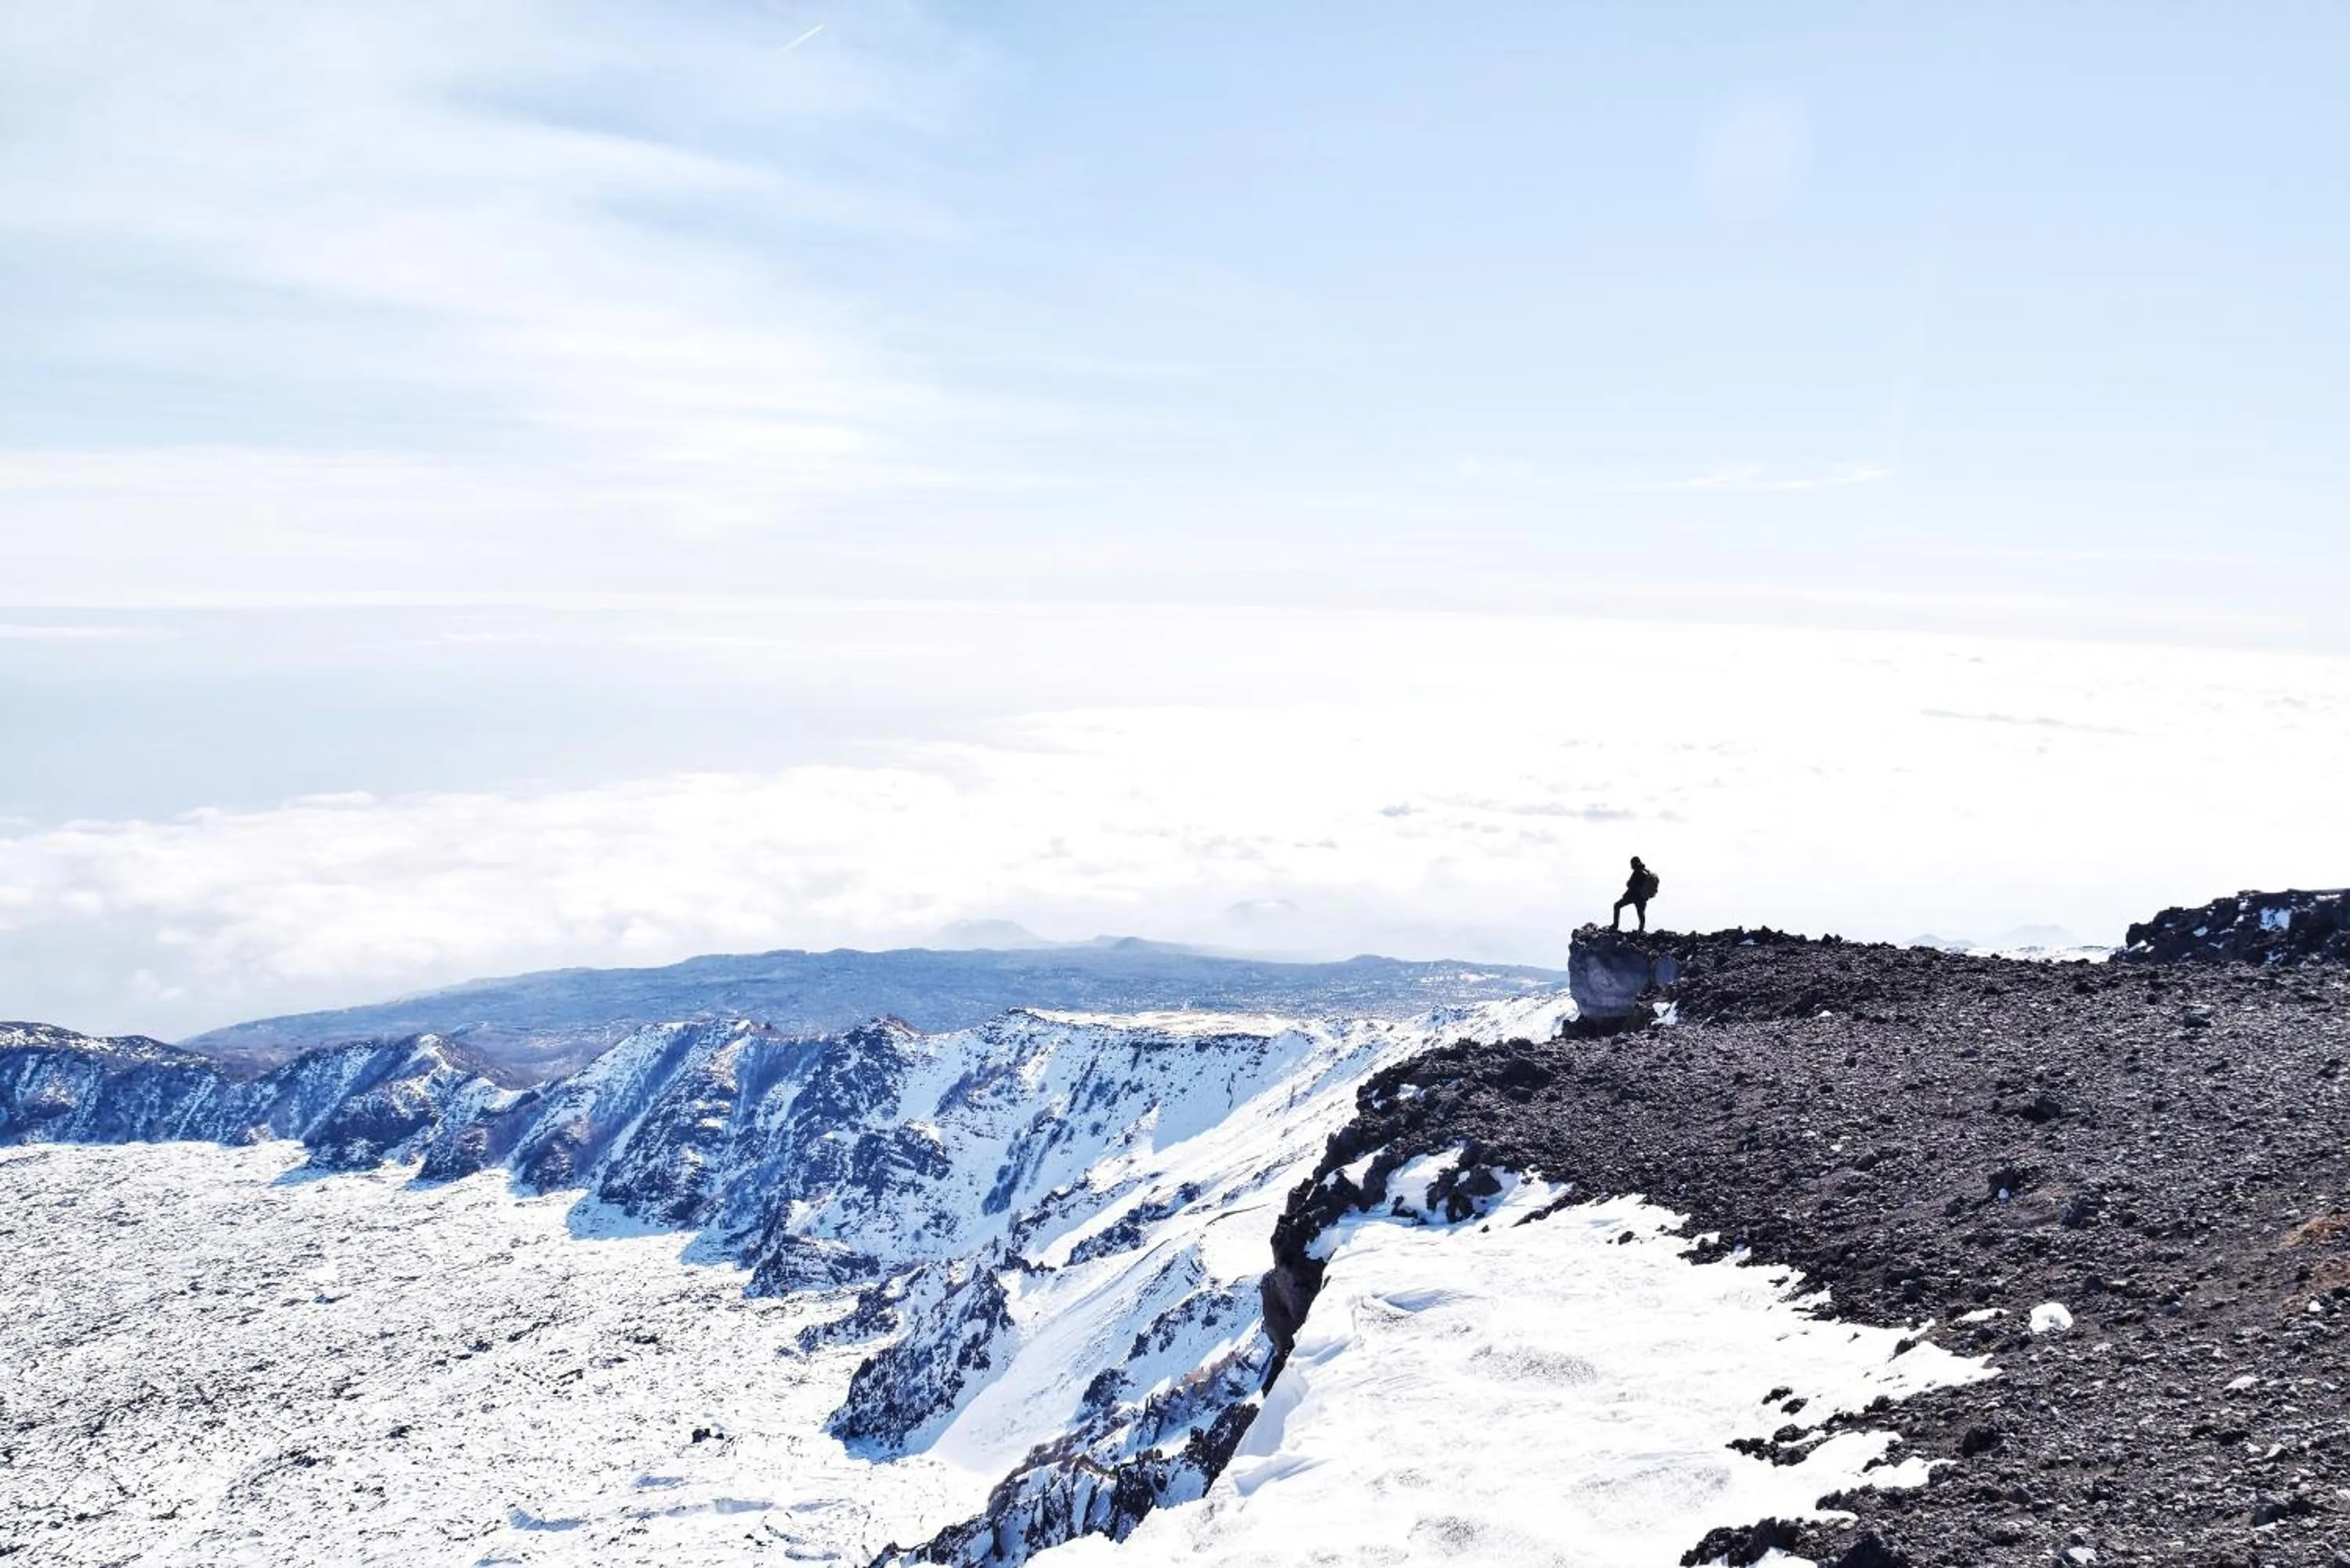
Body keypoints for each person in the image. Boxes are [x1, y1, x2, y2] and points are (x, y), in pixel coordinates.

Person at [1611, 856, 1660, 932]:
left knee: (1617, 906)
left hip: (1634, 896)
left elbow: (1630, 885)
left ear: (1634, 863)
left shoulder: (1637, 872)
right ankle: (1641, 930)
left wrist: (1627, 890)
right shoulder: (1646, 872)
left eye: (1632, 864)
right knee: (1641, 914)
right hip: (1642, 897)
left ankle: (1615, 925)